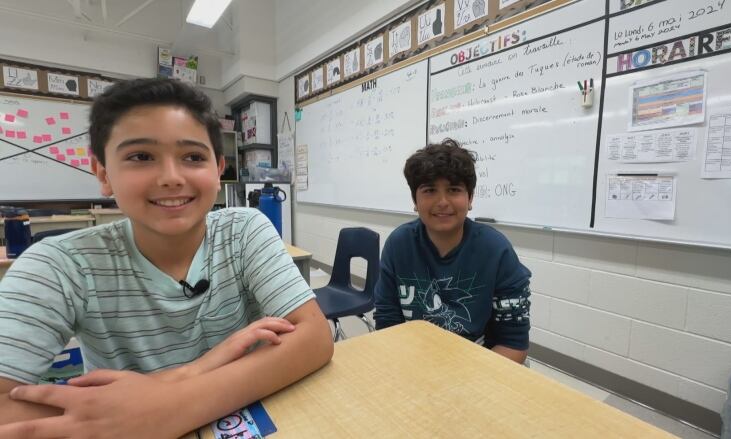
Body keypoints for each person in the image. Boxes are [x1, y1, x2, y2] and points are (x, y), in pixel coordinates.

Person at [0, 78, 333, 437]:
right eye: (141, 157)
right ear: (103, 173)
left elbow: (314, 337)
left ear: (218, 170)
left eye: (193, 157)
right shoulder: (57, 265)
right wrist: (192, 374)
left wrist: (169, 402)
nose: (172, 177)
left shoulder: (244, 230)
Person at [373, 139, 531, 364]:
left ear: (470, 198)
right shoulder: (399, 245)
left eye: (454, 190)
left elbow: (513, 343)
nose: (442, 202)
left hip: (479, 363)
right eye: (429, 190)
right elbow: (387, 323)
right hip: (413, 359)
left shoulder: (496, 250)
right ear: (415, 201)